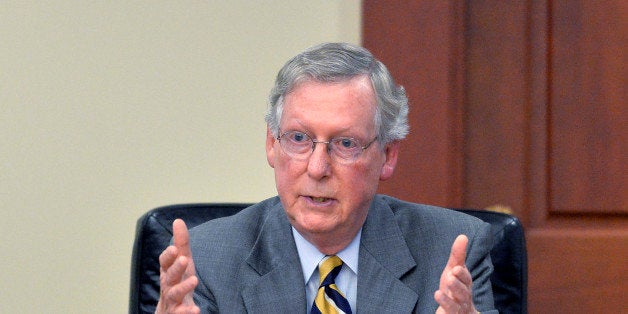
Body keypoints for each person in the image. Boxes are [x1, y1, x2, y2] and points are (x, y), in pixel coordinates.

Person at [156, 43, 497, 314]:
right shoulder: (206, 260)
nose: (317, 168)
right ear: (271, 145)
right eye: (299, 139)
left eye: (346, 143)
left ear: (388, 156)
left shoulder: (450, 256)